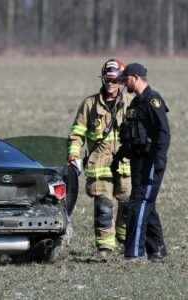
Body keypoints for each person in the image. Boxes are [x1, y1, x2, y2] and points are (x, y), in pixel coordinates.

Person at [67, 59, 132, 256]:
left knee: (128, 204)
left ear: (121, 81)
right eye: (107, 80)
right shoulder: (89, 104)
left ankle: (124, 238)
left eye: (114, 80)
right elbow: (77, 133)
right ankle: (105, 248)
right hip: (99, 165)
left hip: (126, 164)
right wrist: (74, 154)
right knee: (103, 206)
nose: (110, 84)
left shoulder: (130, 103)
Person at [117, 63, 170, 262]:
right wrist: (119, 156)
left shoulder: (152, 100)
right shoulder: (136, 103)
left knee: (139, 204)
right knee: (148, 204)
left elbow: (164, 133)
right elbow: (131, 134)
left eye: (126, 79)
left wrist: (159, 160)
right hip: (137, 163)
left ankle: (134, 253)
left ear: (136, 77)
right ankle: (156, 250)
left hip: (150, 163)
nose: (124, 83)